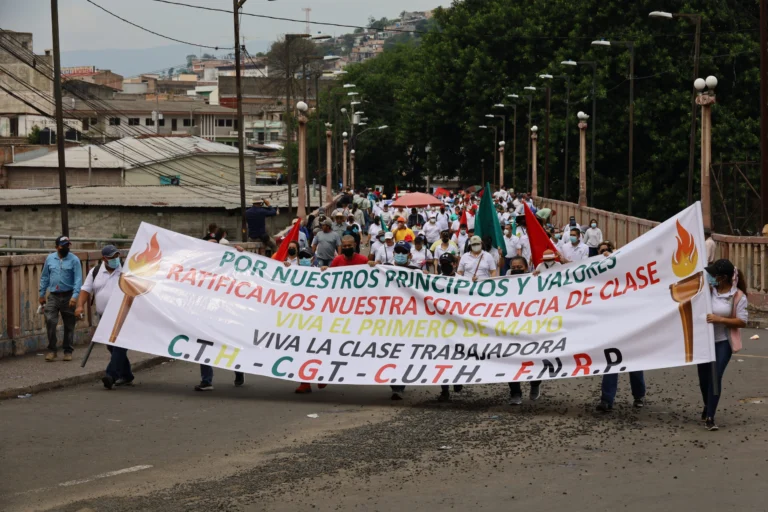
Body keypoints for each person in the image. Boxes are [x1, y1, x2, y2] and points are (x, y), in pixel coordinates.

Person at [697, 258, 748, 430]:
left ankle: (710, 416)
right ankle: (707, 404)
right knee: (704, 379)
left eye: (714, 275)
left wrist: (720, 319)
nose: (711, 277)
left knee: (715, 376)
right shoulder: (708, 290)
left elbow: (742, 322)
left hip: (723, 342)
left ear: (723, 277)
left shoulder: (738, 296)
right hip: (704, 341)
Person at [75, 245, 133, 388]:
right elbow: (85, 289)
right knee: (111, 348)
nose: (115, 259)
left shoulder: (126, 271)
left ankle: (110, 375)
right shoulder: (95, 271)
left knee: (119, 346)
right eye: (112, 257)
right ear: (104, 259)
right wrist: (80, 305)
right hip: (104, 317)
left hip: (123, 316)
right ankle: (126, 375)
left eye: (117, 256)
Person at [196, 238, 245, 391]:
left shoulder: (228, 262)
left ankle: (239, 369)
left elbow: (243, 270)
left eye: (214, 243)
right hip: (207, 311)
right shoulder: (202, 262)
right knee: (204, 343)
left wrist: (240, 254)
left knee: (229, 343)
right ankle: (206, 380)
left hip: (226, 311)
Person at [385, 241, 420, 400]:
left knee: (403, 353)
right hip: (388, 320)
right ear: (393, 254)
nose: (400, 255)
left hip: (408, 321)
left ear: (409, 255)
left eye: (403, 252)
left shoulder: (416, 272)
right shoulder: (383, 269)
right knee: (392, 353)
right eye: (397, 252)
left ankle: (399, 385)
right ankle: (395, 384)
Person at [40, 236, 82, 362]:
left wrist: (75, 296)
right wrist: (41, 294)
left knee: (69, 325)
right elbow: (44, 277)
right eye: (63, 245)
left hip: (68, 295)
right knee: (50, 321)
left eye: (68, 245)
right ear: (57, 246)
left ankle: (68, 350)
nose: (66, 247)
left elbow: (78, 279)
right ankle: (52, 349)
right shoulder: (50, 259)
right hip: (53, 295)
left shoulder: (74, 260)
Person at [506, 255, 542, 403]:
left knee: (534, 359)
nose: (516, 270)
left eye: (519, 268)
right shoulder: (503, 283)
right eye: (513, 268)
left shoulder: (535, 280)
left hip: (530, 329)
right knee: (510, 361)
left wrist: (540, 278)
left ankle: (535, 383)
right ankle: (515, 392)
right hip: (509, 329)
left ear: (526, 268)